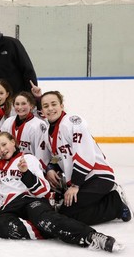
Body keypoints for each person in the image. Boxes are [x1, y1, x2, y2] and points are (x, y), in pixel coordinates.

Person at [0, 132, 124, 253]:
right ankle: (51, 228)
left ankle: (91, 237)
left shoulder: (28, 159)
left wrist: (26, 173)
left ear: (13, 142)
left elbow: (43, 190)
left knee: (45, 218)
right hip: (9, 207)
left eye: (4, 144)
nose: (2, 150)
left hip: (30, 200)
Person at [40, 91, 132, 225]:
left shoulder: (72, 122)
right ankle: (107, 199)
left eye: (54, 104)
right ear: (42, 111)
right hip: (82, 181)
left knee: (68, 213)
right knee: (66, 212)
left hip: (98, 177)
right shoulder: (49, 133)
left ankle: (115, 205)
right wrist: (50, 168)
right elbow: (57, 158)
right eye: (46, 106)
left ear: (62, 105)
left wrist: (75, 185)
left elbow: (84, 155)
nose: (50, 108)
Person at [0, 91, 50, 170]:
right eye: (17, 104)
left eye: (23, 104)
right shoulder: (8, 122)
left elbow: (42, 154)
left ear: (31, 106)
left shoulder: (39, 125)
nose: (20, 107)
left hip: (30, 167)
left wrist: (38, 170)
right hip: (10, 167)